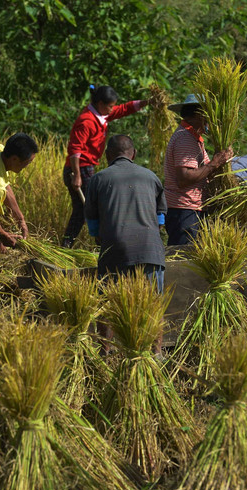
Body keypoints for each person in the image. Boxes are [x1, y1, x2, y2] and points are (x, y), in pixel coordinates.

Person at [84, 135, 167, 354]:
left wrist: (100, 236)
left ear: (107, 156)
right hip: (151, 250)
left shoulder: (98, 179)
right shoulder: (151, 177)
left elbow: (92, 223)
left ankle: (106, 351)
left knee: (107, 302)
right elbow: (161, 218)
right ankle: (155, 353)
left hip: (115, 249)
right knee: (153, 305)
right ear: (134, 154)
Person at [61, 85, 149, 248]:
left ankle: (69, 245)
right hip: (80, 168)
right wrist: (77, 175)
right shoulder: (86, 121)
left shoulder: (102, 115)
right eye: (110, 106)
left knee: (83, 210)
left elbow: (123, 109)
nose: (112, 109)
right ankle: (102, 245)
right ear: (100, 104)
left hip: (86, 168)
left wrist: (145, 102)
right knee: (92, 208)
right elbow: (75, 149)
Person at [163, 94, 233, 245]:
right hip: (184, 211)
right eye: (208, 115)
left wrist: (221, 161)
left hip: (191, 210)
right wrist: (214, 163)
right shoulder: (185, 138)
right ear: (198, 115)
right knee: (183, 261)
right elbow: (184, 178)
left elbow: (203, 171)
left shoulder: (194, 138)